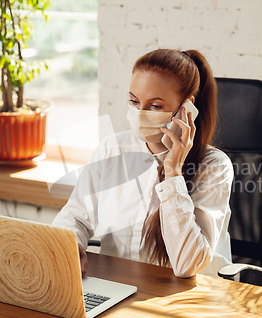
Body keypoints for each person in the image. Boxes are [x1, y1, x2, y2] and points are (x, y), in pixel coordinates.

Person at [52, 49, 234, 278]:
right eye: (134, 101)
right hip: (117, 285)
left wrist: (173, 172)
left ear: (187, 108)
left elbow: (187, 265)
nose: (140, 114)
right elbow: (76, 215)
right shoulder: (113, 149)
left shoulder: (215, 167)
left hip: (186, 299)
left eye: (155, 106)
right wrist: (72, 244)